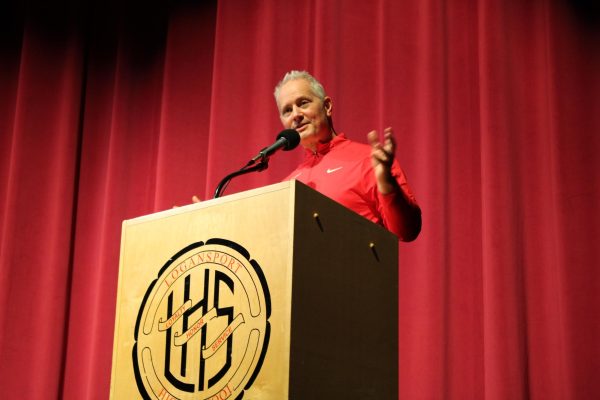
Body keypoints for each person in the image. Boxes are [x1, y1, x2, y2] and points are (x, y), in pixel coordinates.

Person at [274, 70, 421, 241]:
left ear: (327, 106)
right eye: (287, 110)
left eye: (303, 103)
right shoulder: (287, 185)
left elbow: (407, 231)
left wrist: (387, 183)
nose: (296, 115)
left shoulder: (371, 160)